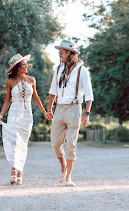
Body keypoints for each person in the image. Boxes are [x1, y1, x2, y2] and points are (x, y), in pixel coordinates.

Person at [0, 53, 49, 185]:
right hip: (14, 114)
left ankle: (20, 172)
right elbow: (7, 100)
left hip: (27, 115)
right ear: (17, 67)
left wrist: (45, 112)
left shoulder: (31, 80)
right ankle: (14, 170)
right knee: (15, 142)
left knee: (23, 144)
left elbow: (36, 98)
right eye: (23, 64)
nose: (26, 66)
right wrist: (0, 116)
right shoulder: (10, 81)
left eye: (25, 63)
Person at [47, 40, 94, 186]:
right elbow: (53, 91)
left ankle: (68, 178)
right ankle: (63, 165)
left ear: (69, 53)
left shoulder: (82, 70)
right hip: (59, 108)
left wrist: (87, 114)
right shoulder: (58, 69)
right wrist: (49, 109)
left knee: (71, 145)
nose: (59, 55)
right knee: (55, 143)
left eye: (61, 52)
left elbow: (89, 94)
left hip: (75, 109)